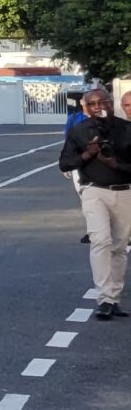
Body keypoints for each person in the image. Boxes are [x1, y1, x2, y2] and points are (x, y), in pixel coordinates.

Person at [61, 85, 131, 318]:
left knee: (119, 246)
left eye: (102, 102)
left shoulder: (126, 129)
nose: (98, 107)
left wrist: (116, 164)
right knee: (100, 240)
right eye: (92, 104)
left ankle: (113, 298)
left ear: (111, 103)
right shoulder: (79, 131)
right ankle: (105, 297)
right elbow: (65, 163)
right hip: (94, 191)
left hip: (124, 190)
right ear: (86, 108)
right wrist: (87, 154)